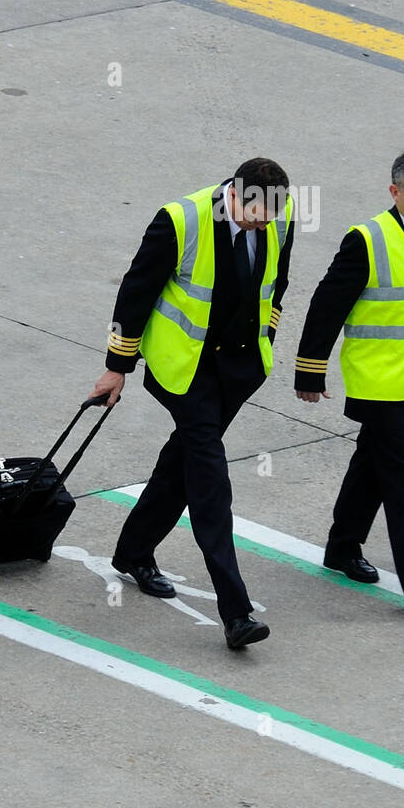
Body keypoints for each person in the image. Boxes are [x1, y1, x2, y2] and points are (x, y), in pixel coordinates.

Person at [91, 158, 294, 649]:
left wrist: (266, 336)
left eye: (271, 214)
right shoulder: (180, 220)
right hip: (187, 370)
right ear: (234, 194)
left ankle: (134, 551)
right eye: (255, 213)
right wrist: (118, 366)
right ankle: (236, 611)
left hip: (238, 369)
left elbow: (277, 285)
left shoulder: (277, 218)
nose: (263, 223)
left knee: (182, 462)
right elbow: (135, 292)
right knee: (210, 483)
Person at [294, 150, 404, 613]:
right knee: (402, 483)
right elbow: (327, 306)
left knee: (370, 466)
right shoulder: (367, 240)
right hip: (378, 382)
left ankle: (342, 546)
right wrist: (310, 369)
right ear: (395, 192)